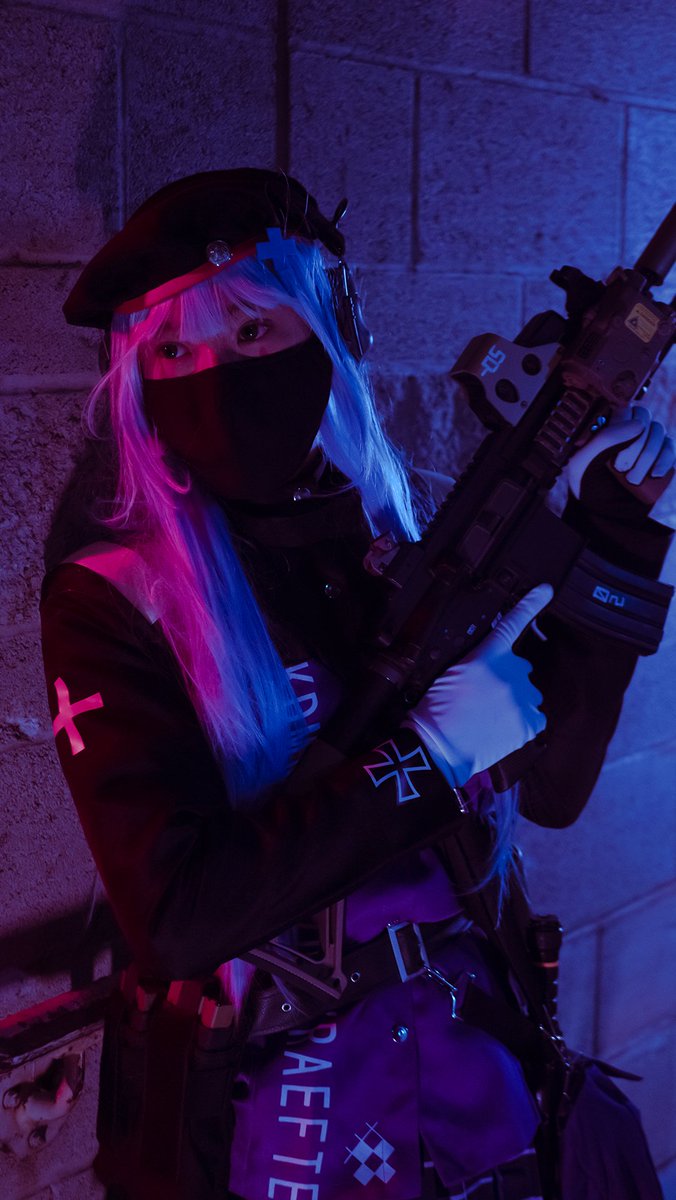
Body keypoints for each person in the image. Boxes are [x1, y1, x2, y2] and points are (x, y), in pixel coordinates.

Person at [40, 169, 673, 1200]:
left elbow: (554, 788)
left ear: (329, 335)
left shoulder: (394, 530)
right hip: (289, 1115)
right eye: (175, 352)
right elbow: (180, 916)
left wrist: (614, 528)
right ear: (137, 382)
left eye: (254, 331)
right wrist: (427, 758)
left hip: (479, 1066)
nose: (217, 375)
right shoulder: (117, 597)